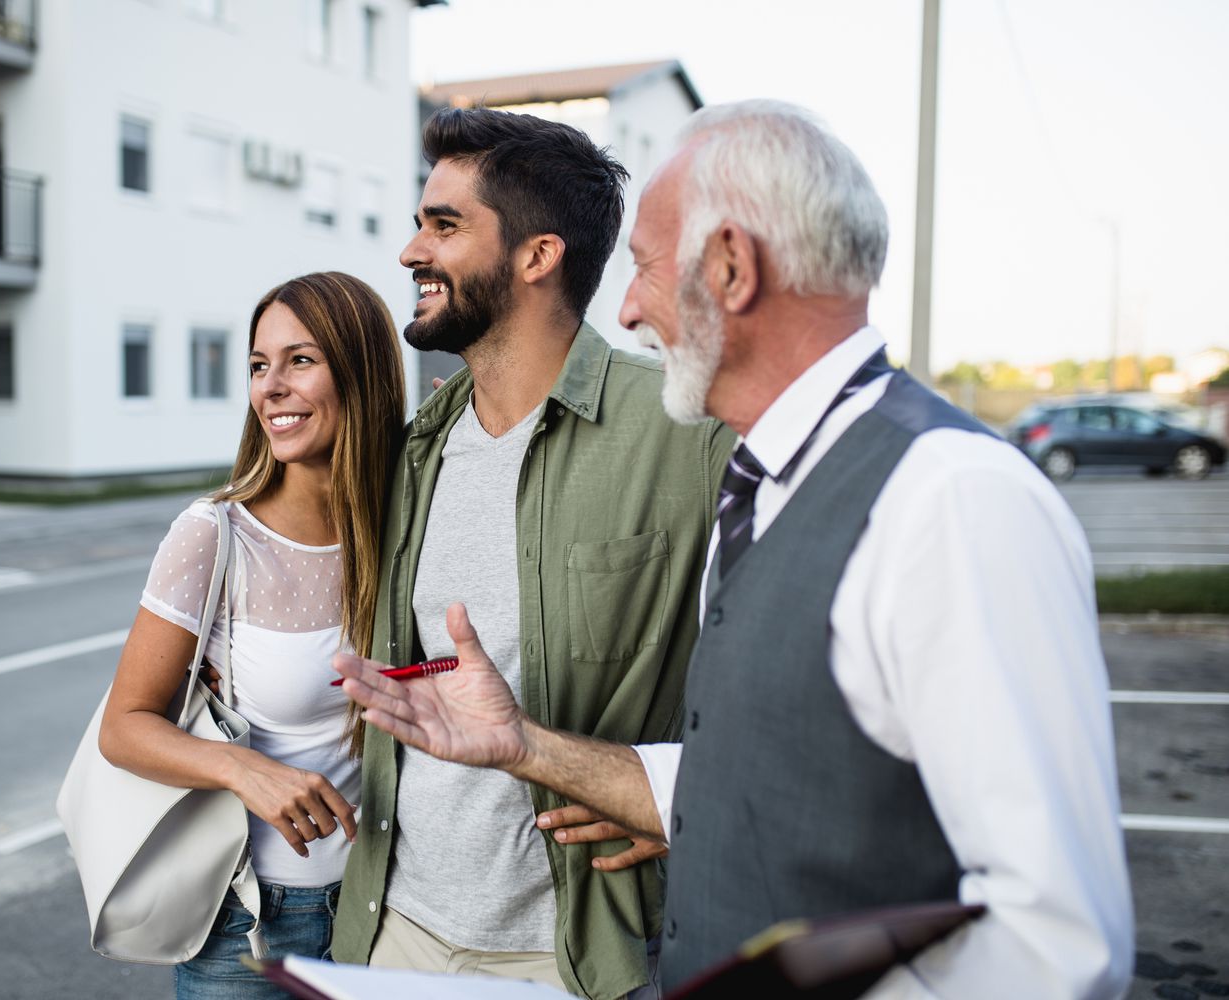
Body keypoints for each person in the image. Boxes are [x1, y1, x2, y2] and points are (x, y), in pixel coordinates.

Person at [335, 100, 1135, 997]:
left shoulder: (952, 497)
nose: (629, 309)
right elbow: (783, 775)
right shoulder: (772, 480)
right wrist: (530, 748)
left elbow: (1057, 945)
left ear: (730, 266)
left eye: (642, 269)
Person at [329, 108, 732, 1000]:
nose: (409, 252)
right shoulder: (418, 448)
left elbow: (787, 678)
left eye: (443, 225)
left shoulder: (683, 432)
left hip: (576, 958)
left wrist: (680, 805)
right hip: (395, 931)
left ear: (537, 255)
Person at [98, 272, 406, 999]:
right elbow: (124, 727)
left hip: (387, 909)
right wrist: (244, 769)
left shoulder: (404, 525)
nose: (271, 387)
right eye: (259, 365)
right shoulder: (214, 534)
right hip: (256, 925)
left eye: (300, 360)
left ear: (361, 374)